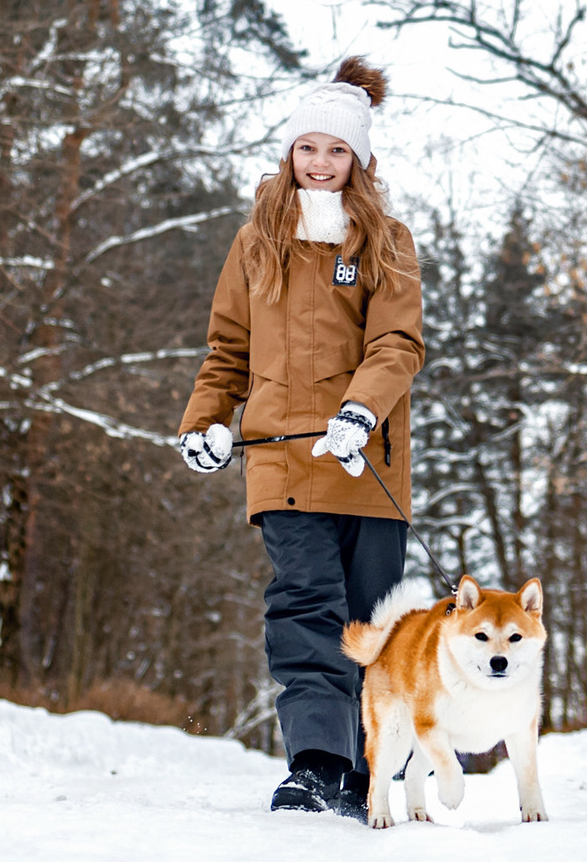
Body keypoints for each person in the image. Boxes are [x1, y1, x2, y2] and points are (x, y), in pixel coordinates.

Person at [178, 57, 424, 821]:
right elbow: (225, 350)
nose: (320, 163)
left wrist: (360, 412)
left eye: (337, 150)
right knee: (304, 606)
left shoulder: (387, 243)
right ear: (290, 153)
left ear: (359, 160)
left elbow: (397, 346)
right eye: (308, 147)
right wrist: (204, 423)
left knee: (370, 624)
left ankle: (370, 769)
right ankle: (317, 763)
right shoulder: (256, 243)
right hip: (282, 461)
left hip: (366, 464)